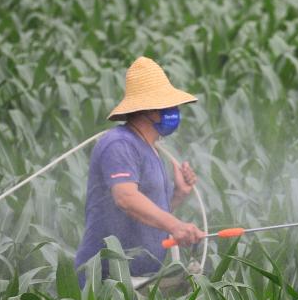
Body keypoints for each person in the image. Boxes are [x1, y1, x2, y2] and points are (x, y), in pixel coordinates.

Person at [75, 57, 205, 287]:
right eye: (166, 105)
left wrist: (178, 195)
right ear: (148, 110)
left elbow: (144, 214)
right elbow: (126, 198)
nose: (173, 111)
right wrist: (176, 226)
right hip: (107, 282)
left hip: (139, 280)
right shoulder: (120, 144)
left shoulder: (151, 149)